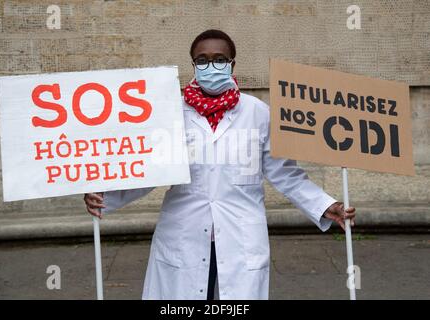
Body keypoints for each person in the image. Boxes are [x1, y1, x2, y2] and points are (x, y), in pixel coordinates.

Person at [84, 29, 356, 300]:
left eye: (219, 59)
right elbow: (150, 171)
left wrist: (324, 204)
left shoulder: (258, 113)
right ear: (193, 65)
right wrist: (105, 195)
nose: (210, 66)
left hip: (240, 236)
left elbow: (284, 173)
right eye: (202, 60)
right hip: (184, 234)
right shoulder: (171, 113)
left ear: (232, 64)